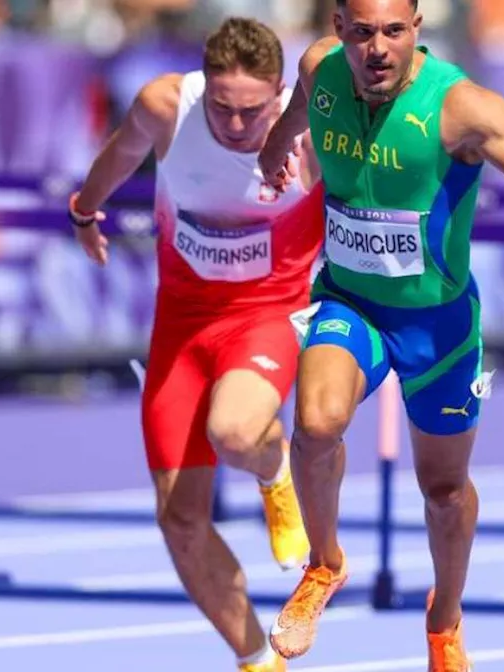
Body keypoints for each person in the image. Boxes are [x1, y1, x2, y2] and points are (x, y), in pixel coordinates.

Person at [255, 0, 504, 668]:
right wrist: (274, 147)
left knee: (443, 491)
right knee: (316, 426)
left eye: (393, 32)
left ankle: (444, 619)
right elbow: (300, 106)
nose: (377, 48)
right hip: (350, 302)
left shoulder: (463, 109)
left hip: (438, 329)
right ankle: (323, 566)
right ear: (338, 30)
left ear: (416, 30)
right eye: (361, 33)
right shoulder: (321, 69)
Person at [67, 17, 324, 672]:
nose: (236, 127)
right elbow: (117, 158)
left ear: (279, 97)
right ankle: (259, 659)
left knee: (235, 431)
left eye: (252, 112)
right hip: (181, 320)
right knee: (179, 519)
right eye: (222, 108)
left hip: (268, 313)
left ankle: (275, 470)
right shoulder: (164, 106)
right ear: (202, 87)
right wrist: (84, 209)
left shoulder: (316, 132)